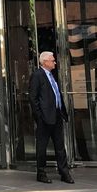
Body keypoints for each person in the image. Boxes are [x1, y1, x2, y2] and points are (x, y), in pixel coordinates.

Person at [29, 51, 74, 184]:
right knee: (42, 146)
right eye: (52, 60)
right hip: (45, 118)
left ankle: (64, 172)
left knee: (60, 146)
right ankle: (41, 172)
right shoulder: (37, 75)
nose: (54, 62)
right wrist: (39, 116)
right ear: (44, 62)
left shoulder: (51, 75)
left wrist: (62, 112)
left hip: (57, 115)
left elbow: (56, 94)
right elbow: (33, 98)